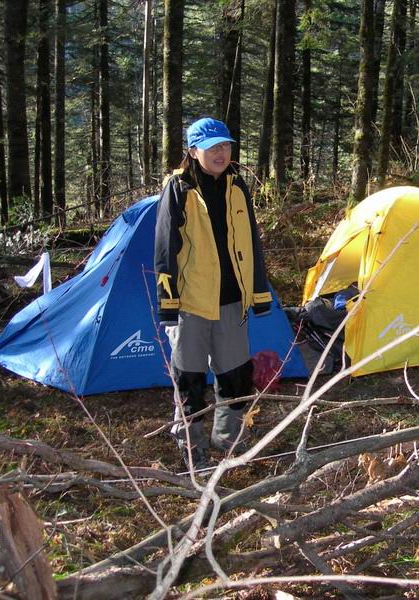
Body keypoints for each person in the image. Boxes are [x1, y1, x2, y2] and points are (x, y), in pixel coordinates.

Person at [154, 117, 272, 472]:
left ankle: (229, 438)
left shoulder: (237, 186)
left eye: (225, 146)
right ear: (194, 152)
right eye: (212, 148)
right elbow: (165, 247)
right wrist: (168, 304)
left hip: (232, 300)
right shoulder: (179, 188)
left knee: (236, 375)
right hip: (191, 302)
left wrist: (258, 292)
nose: (221, 153)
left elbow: (251, 242)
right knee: (190, 380)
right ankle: (192, 446)